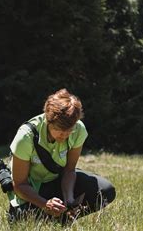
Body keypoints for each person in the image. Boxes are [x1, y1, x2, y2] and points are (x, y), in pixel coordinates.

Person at [8, 88, 115, 222]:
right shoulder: (25, 137)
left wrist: (69, 200)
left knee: (106, 190)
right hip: (31, 191)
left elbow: (69, 170)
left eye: (69, 131)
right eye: (59, 130)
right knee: (23, 222)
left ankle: (65, 217)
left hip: (58, 182)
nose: (64, 136)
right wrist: (45, 204)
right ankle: (50, 216)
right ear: (48, 121)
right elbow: (19, 185)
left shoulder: (79, 129)